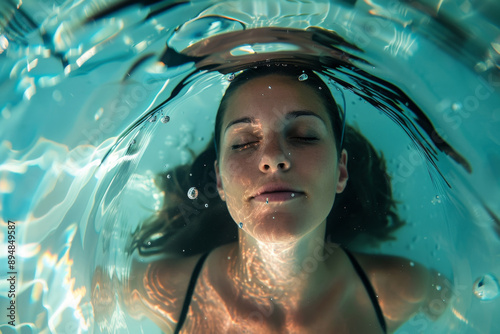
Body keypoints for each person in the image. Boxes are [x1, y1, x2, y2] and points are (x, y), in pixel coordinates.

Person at [92, 64, 451, 333]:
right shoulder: (156, 289)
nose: (273, 157)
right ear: (219, 179)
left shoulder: (403, 289)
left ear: (341, 171)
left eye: (304, 135)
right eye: (245, 142)